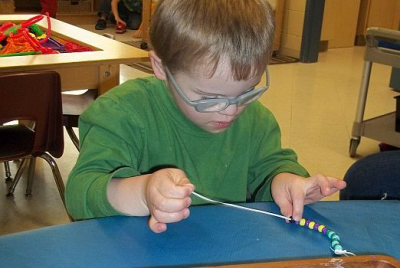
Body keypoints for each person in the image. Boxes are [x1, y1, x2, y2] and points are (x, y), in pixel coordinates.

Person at [66, 0, 346, 233]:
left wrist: (286, 182)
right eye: (210, 98)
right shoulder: (121, 113)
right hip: (141, 263)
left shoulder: (257, 121)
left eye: (246, 92)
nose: (230, 110)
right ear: (161, 67)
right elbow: (80, 193)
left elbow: (273, 166)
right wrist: (142, 192)